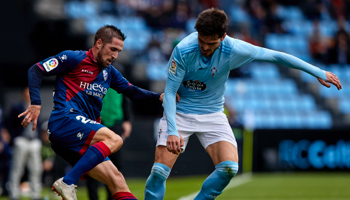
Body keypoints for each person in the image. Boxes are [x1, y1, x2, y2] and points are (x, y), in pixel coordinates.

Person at [144, 8, 342, 200]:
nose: (204, 47)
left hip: (213, 113)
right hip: (180, 113)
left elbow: (276, 56)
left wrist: (317, 72)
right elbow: (169, 92)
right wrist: (172, 130)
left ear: (222, 37)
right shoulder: (184, 50)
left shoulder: (234, 49)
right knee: (159, 172)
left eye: (210, 43)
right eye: (201, 41)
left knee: (229, 168)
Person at [19, 25, 164, 200]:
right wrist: (35, 103)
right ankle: (68, 181)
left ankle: (69, 181)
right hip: (65, 120)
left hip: (80, 133)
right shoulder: (73, 58)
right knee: (114, 139)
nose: (115, 56)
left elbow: (132, 92)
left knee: (117, 180)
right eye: (112, 49)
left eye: (118, 51)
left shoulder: (109, 73)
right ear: (99, 43)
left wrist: (159, 97)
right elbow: (36, 69)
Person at [87, 89, 133, 200]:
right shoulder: (91, 78)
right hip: (96, 124)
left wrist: (127, 120)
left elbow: (125, 99)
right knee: (92, 164)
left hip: (115, 123)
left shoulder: (117, 76)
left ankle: (112, 198)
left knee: (115, 165)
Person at [5, 87, 43, 200]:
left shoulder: (36, 107)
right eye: (26, 92)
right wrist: (14, 138)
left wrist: (39, 138)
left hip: (34, 141)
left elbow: (39, 124)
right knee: (17, 168)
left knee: (36, 168)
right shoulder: (17, 107)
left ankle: (35, 194)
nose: (28, 95)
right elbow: (9, 124)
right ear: (23, 94)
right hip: (21, 140)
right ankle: (13, 193)